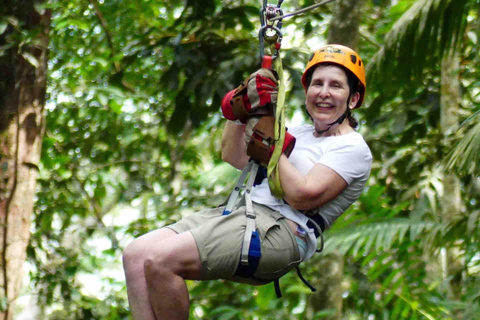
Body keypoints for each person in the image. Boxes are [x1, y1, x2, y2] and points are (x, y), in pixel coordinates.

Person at [122, 44, 373, 320]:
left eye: (335, 86)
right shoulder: (299, 132)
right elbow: (233, 155)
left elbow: (303, 194)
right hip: (243, 212)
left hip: (280, 232)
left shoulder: (352, 148)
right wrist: (240, 109)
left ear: (353, 99)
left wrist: (271, 148)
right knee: (136, 255)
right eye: (317, 84)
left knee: (162, 261)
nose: (324, 92)